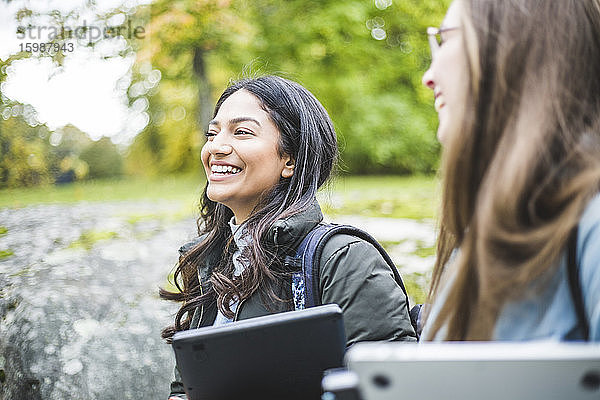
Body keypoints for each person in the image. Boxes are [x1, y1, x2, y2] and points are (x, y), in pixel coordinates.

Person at [160, 75, 417, 398]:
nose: (216, 147)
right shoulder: (207, 263)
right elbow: (186, 386)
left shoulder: (344, 258)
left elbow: (391, 388)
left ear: (290, 160)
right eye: (212, 133)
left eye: (242, 132)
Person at [420, 0, 600, 341]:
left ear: (512, 52)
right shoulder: (479, 226)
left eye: (444, 39)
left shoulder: (591, 223)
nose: (428, 77)